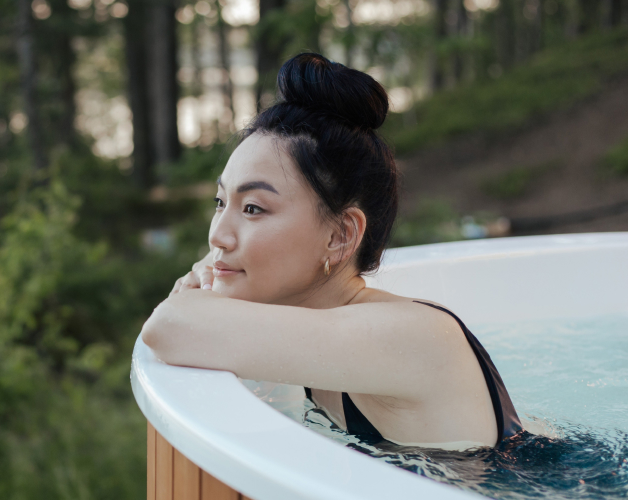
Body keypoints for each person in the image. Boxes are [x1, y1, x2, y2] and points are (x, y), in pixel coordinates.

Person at [140, 53, 523, 450]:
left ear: (340, 236)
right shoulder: (319, 324)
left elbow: (168, 326)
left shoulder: (409, 336)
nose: (218, 235)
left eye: (253, 208)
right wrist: (214, 267)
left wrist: (205, 279)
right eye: (220, 203)